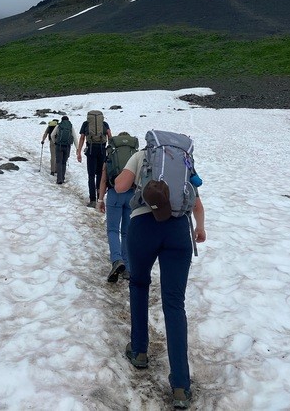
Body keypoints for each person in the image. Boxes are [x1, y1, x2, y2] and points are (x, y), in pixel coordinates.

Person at [114, 146, 206, 410]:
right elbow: (196, 202)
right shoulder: (184, 161)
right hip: (179, 229)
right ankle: (181, 386)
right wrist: (200, 227)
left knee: (139, 284)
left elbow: (120, 186)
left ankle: (139, 351)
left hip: (144, 225)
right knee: (175, 303)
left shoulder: (142, 155)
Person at [97, 132, 136, 283]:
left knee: (113, 230)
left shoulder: (111, 155)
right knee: (127, 232)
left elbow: (103, 180)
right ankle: (127, 268)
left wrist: (100, 200)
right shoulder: (135, 156)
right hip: (131, 195)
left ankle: (116, 260)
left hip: (114, 193)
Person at [76, 112, 112, 207]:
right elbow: (109, 135)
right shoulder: (104, 124)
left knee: (91, 175)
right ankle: (99, 198)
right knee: (100, 174)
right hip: (102, 150)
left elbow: (82, 138)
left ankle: (92, 200)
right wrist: (111, 150)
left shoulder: (86, 124)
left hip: (91, 150)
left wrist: (79, 152)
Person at [50, 116, 79, 185]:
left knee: (59, 162)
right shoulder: (70, 126)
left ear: (62, 120)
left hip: (59, 146)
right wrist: (77, 148)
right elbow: (75, 137)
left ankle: (59, 179)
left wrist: (55, 142)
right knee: (64, 162)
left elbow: (52, 135)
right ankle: (62, 178)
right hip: (67, 146)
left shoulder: (59, 126)